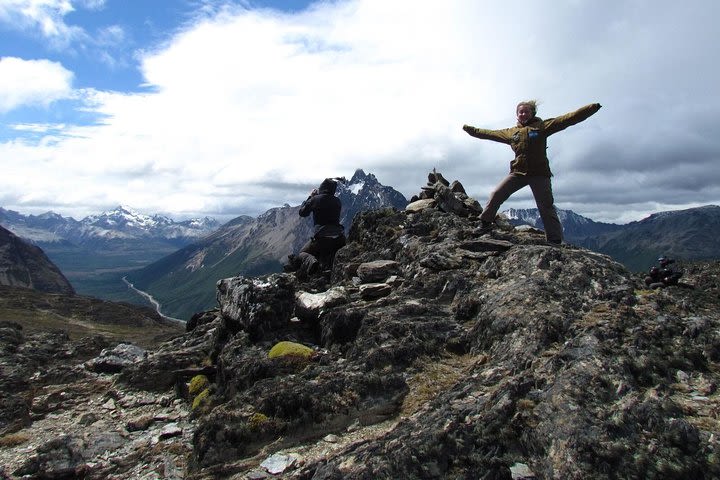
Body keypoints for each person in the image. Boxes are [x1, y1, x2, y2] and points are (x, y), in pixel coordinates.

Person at [463, 101, 602, 244]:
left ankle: (555, 240)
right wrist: (471, 130)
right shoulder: (511, 132)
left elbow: (568, 119)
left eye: (526, 112)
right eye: (520, 112)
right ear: (517, 115)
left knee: (545, 206)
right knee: (496, 194)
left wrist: (591, 108)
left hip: (539, 174)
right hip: (518, 173)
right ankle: (485, 223)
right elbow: (489, 134)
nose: (523, 114)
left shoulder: (542, 127)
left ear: (532, 113)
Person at [296, 177, 346, 277]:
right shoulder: (337, 201)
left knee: (302, 253)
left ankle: (312, 262)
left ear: (322, 187)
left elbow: (302, 213)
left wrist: (311, 197)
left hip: (322, 238)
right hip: (339, 238)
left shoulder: (315, 199)